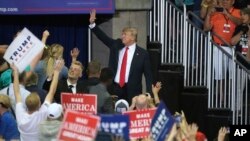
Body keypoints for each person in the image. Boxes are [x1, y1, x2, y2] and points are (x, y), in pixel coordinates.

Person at [89, 9, 153, 104]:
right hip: (115, 88)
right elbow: (103, 37)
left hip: (133, 91)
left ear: (133, 37)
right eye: (122, 34)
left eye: (125, 34)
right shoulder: (116, 45)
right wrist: (92, 24)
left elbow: (148, 76)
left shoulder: (143, 54)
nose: (122, 36)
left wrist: (149, 94)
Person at [12, 59, 64, 141]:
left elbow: (17, 92)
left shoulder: (20, 115)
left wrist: (15, 72)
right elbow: (51, 92)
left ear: (25, 104)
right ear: (40, 104)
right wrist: (57, 72)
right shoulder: (42, 113)